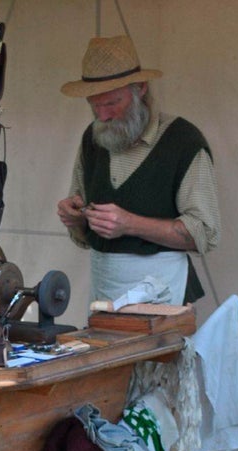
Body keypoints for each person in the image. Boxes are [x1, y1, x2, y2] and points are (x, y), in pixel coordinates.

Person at [57, 35, 221, 305]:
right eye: (94, 105)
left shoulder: (183, 141)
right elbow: (85, 229)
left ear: (141, 88)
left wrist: (130, 224)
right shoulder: (92, 138)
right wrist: (75, 218)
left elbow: (205, 232)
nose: (103, 116)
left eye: (111, 103)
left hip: (163, 293)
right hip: (104, 290)